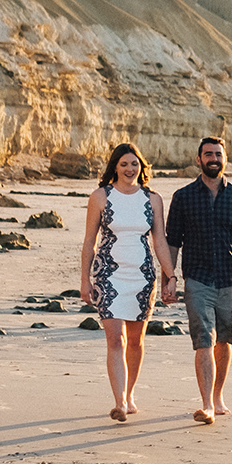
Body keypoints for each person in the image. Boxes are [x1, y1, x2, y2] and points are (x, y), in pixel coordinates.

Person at [166, 136, 232, 424]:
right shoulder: (183, 197)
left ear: (225, 159)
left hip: (231, 279)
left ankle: (218, 396)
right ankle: (206, 404)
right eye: (208, 154)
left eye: (218, 154)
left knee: (224, 340)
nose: (213, 159)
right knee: (203, 339)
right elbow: (172, 242)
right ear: (198, 159)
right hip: (197, 278)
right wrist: (169, 278)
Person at [79, 142, 176, 422]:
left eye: (134, 164)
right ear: (115, 167)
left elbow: (160, 241)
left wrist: (170, 276)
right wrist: (84, 281)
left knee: (135, 340)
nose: (130, 169)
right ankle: (119, 402)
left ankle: (130, 395)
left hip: (142, 275)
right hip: (108, 275)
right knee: (115, 339)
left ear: (141, 167)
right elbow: (89, 241)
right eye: (124, 164)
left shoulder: (152, 199)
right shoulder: (101, 196)